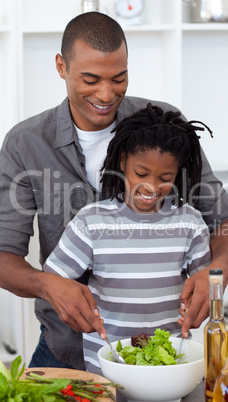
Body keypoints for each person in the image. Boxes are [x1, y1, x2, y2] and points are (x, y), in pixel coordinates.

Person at [0, 12, 228, 371]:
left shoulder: (163, 128)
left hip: (162, 353)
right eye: (91, 79)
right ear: (61, 66)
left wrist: (215, 274)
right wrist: (47, 285)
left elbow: (226, 225)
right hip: (65, 347)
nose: (106, 93)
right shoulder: (26, 144)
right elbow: (4, 256)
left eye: (119, 78)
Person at [43, 103, 213, 371]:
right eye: (141, 173)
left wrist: (201, 301)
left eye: (165, 178)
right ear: (122, 161)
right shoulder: (91, 220)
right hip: (107, 361)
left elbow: (204, 286)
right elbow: (53, 280)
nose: (151, 187)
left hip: (169, 361)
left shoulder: (190, 222)